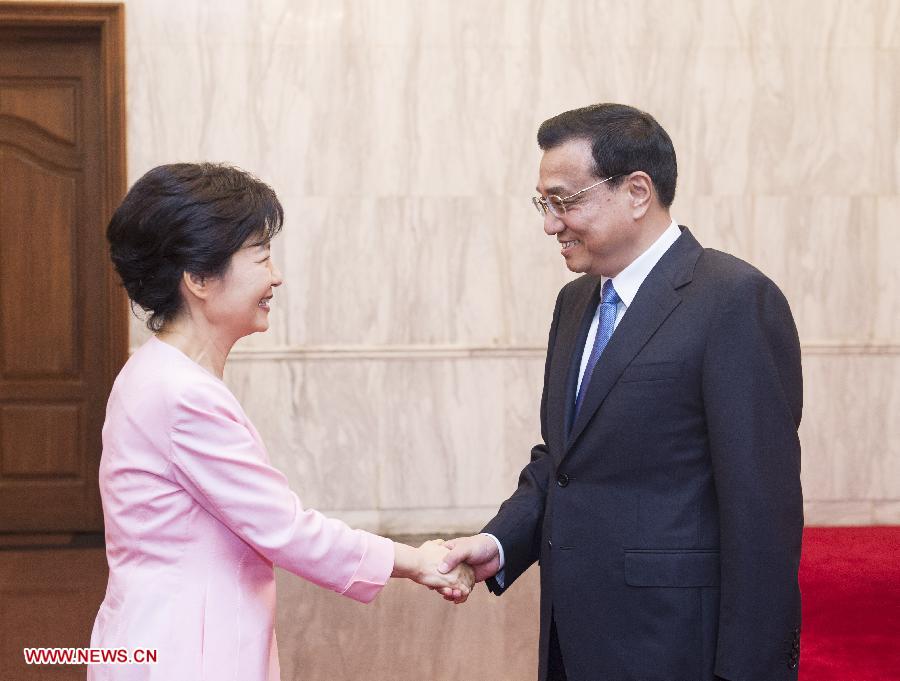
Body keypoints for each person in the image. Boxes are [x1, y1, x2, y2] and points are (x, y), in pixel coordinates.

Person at [438, 104, 804, 681]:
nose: (550, 224)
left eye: (564, 201)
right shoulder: (576, 301)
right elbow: (563, 462)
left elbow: (762, 510)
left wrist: (751, 670)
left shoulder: (733, 300)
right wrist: (500, 543)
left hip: (678, 645)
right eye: (545, 204)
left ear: (637, 191)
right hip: (573, 640)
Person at [88, 163, 472, 681]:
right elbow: (285, 529)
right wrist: (415, 560)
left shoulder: (160, 372)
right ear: (198, 278)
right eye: (261, 256)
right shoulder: (181, 395)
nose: (276, 276)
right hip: (184, 649)